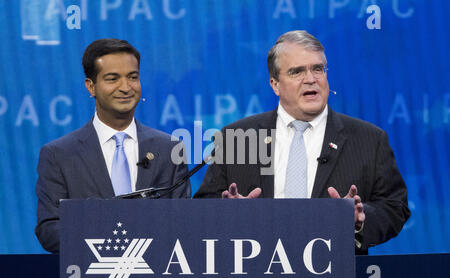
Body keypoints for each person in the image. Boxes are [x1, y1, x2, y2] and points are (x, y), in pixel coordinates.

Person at [194, 30, 410, 254]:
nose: (311, 79)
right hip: (254, 275)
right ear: (275, 84)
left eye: (318, 69)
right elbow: (202, 207)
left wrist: (359, 220)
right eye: (297, 71)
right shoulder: (236, 137)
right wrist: (226, 215)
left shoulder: (369, 139)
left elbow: (395, 207)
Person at [35, 39, 191, 253]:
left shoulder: (170, 148)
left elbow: (184, 222)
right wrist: (111, 245)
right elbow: (50, 229)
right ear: (91, 86)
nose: (126, 87)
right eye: (112, 79)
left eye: (133, 77)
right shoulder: (59, 155)